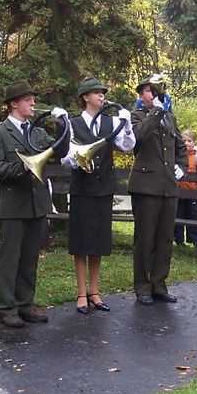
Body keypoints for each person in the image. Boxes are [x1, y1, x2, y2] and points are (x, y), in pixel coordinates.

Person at [0, 83, 71, 328]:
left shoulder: (36, 132)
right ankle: (7, 309)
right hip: (13, 206)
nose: (33, 103)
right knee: (10, 259)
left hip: (37, 204)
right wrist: (24, 165)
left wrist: (63, 124)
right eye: (29, 100)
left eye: (34, 100)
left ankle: (25, 305)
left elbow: (60, 149)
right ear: (14, 104)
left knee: (30, 258)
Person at [65, 79, 135, 314]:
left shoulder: (111, 121)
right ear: (85, 97)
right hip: (82, 189)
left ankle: (94, 291)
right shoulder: (73, 124)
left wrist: (126, 124)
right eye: (96, 93)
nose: (102, 96)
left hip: (103, 187)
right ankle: (81, 292)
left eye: (103, 93)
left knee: (98, 242)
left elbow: (127, 146)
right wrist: (77, 159)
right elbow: (65, 158)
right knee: (81, 242)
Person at [129, 79, 187, 305]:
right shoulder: (136, 116)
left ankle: (159, 284)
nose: (152, 95)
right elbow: (138, 137)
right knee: (145, 238)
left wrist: (181, 166)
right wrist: (155, 113)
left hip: (167, 186)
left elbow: (180, 146)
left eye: (155, 92)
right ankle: (142, 286)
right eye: (148, 91)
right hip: (145, 186)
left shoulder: (170, 118)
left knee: (164, 238)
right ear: (141, 96)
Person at [174, 131, 197, 247]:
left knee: (194, 216)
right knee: (178, 215)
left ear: (194, 142)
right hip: (179, 192)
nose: (186, 143)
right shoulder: (177, 156)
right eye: (184, 141)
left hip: (192, 193)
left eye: (189, 141)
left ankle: (195, 241)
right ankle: (178, 240)